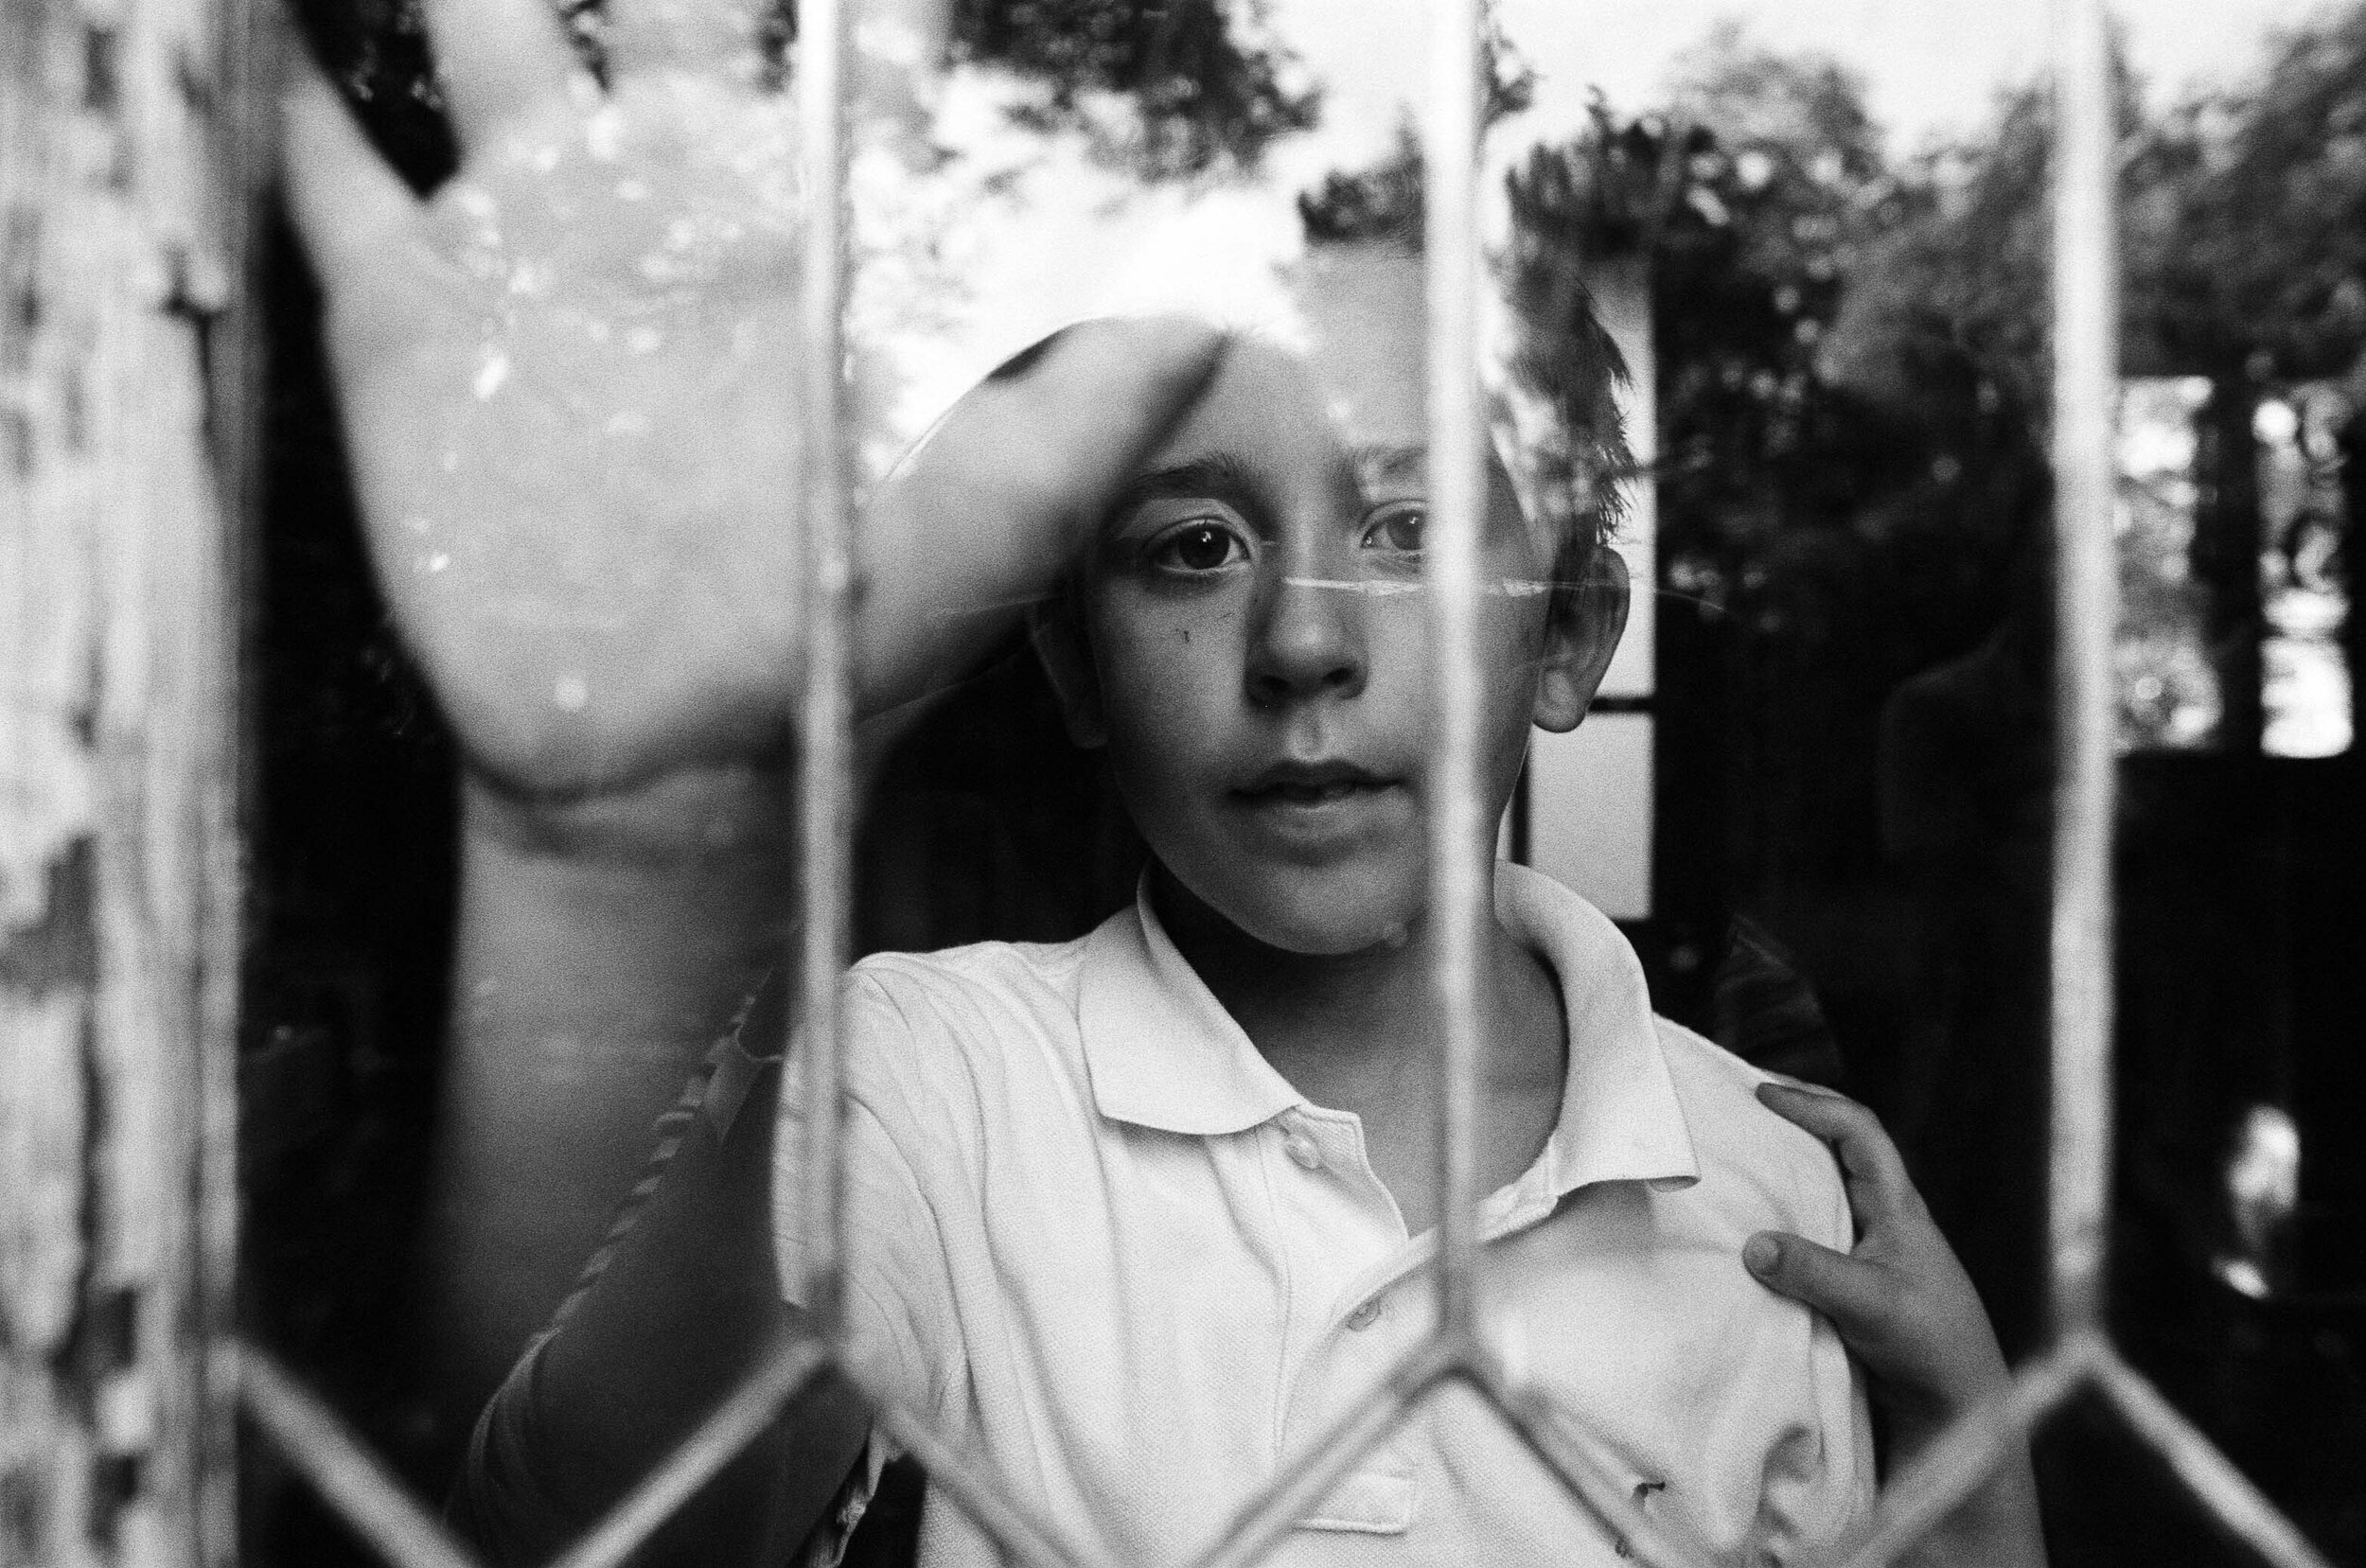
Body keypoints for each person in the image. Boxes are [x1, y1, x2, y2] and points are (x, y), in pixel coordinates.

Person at [278, 1, 2046, 1564]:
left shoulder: (1772, 1190)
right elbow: (586, 1526)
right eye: (1193, 545)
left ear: (1570, 630)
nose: (1301, 643)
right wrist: (647, 863)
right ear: (1071, 662)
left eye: (1409, 528)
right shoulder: (933, 1086)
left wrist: (1977, 1499)